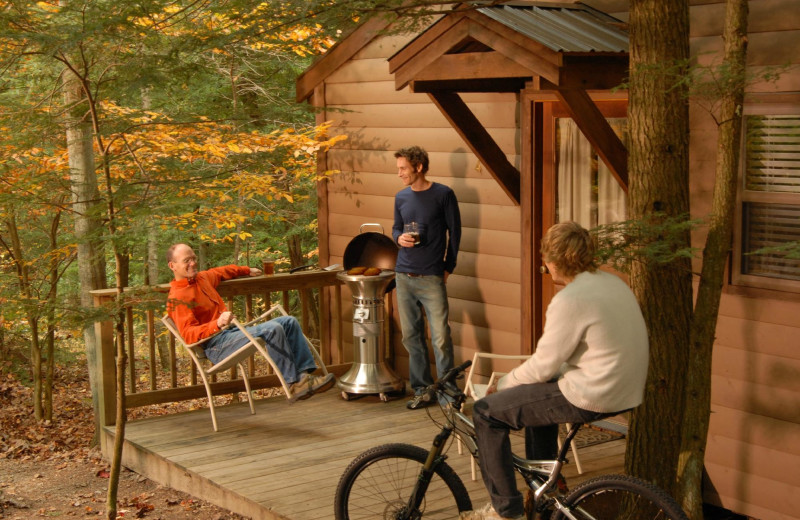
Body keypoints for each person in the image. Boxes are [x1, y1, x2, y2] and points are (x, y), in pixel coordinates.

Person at [466, 221, 649, 520]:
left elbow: (542, 365)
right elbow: (593, 351)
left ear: (555, 261)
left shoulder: (570, 299)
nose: (545, 265)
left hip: (594, 394)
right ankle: (545, 486)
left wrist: (500, 384)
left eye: (545, 259)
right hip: (625, 389)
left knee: (486, 412)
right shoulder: (614, 283)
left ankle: (506, 513)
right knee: (538, 391)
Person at [165, 243, 335, 402]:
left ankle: (304, 378)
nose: (193, 263)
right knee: (272, 329)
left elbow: (222, 271)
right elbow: (188, 335)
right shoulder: (177, 297)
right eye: (186, 261)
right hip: (215, 346)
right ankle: (293, 384)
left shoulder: (202, 279)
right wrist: (216, 324)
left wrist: (246, 270)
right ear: (172, 266)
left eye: (194, 258)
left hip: (230, 333)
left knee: (288, 321)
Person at [391, 146, 462, 410]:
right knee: (411, 337)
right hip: (404, 275)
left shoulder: (443, 195)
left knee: (441, 337)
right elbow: (396, 227)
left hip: (432, 276)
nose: (399, 174)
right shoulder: (401, 197)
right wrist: (398, 237)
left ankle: (448, 392)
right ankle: (422, 390)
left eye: (403, 168)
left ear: (418, 167)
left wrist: (448, 267)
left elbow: (455, 233)